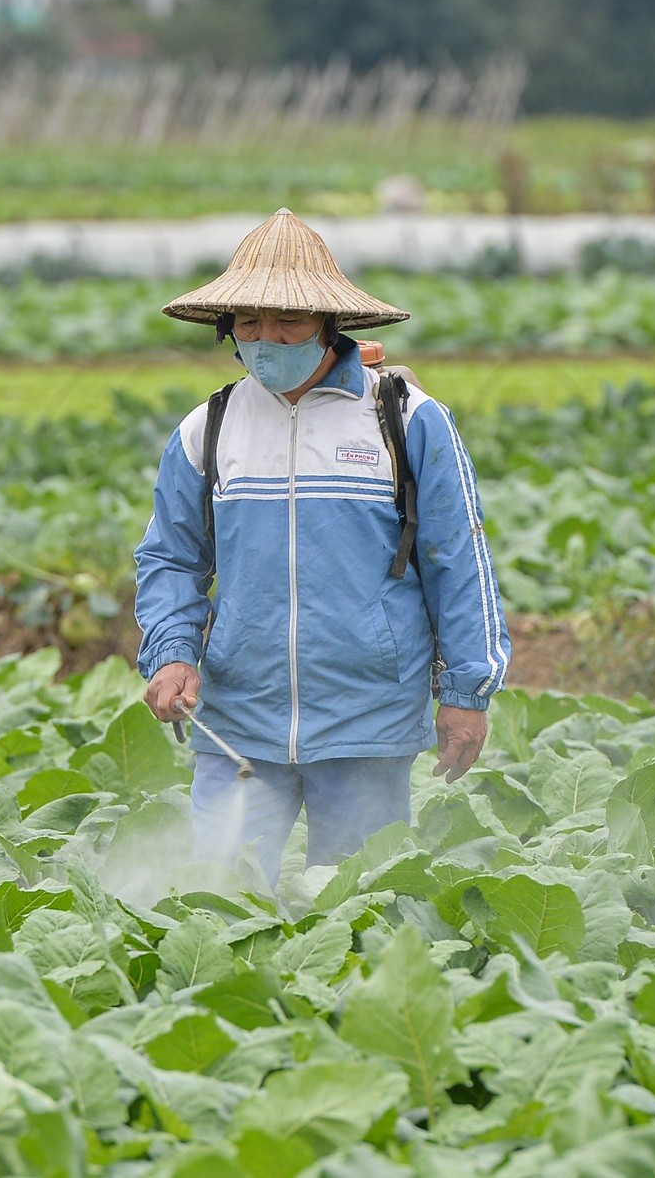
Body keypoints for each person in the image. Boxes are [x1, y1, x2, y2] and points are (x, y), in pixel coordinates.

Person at [134, 209, 510, 886]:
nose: (266, 338)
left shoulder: (406, 420)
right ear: (227, 329)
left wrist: (467, 691)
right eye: (249, 323)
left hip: (368, 711)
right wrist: (172, 653)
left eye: (288, 323)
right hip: (241, 714)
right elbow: (171, 558)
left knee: (358, 905)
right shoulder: (209, 427)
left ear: (329, 324)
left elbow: (459, 561)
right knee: (223, 902)